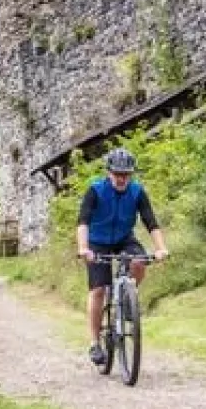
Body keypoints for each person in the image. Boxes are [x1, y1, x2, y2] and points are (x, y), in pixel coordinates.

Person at [75, 146, 168, 365]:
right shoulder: (96, 190)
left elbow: (151, 222)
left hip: (124, 238)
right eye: (117, 174)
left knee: (139, 261)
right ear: (109, 173)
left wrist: (161, 248)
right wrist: (83, 248)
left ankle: (128, 300)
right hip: (97, 241)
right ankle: (94, 344)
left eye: (125, 174)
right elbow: (83, 222)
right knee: (98, 289)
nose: (121, 178)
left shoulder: (137, 192)